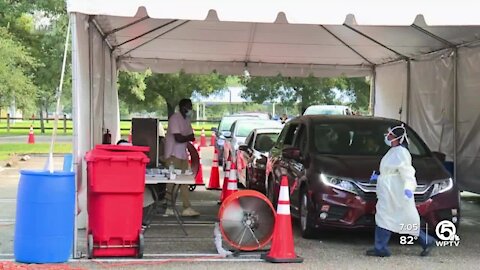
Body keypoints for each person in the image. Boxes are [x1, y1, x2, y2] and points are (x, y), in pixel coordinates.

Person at [366, 124, 436, 257]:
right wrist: (379, 177)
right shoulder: (393, 150)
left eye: (390, 135)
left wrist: (409, 187)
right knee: (385, 217)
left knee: (399, 218)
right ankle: (380, 248)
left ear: (397, 137)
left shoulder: (402, 153)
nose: (387, 137)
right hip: (388, 191)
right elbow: (390, 170)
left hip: (396, 193)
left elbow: (407, 172)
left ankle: (426, 241)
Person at [164, 98, 200, 217]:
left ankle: (186, 207)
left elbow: (192, 137)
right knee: (171, 182)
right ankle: (169, 206)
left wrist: (186, 137)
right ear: (182, 107)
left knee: (185, 180)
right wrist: (187, 137)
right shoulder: (175, 119)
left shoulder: (187, 120)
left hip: (183, 154)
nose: (190, 109)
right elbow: (178, 138)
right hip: (172, 154)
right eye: (188, 106)